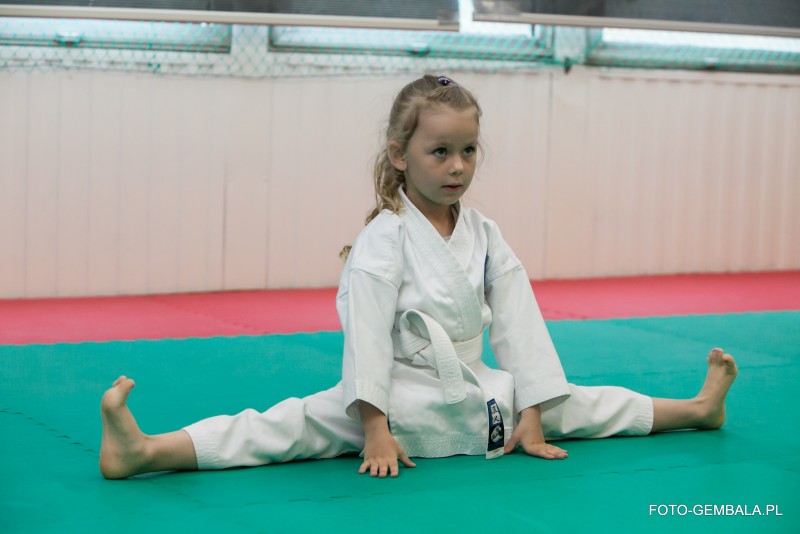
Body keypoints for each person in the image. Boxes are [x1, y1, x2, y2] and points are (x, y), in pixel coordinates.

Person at [99, 75, 738, 480]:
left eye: (468, 151)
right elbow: (367, 339)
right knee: (288, 425)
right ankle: (146, 450)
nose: (457, 166)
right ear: (400, 157)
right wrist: (374, 428)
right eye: (440, 152)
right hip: (396, 397)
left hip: (480, 391)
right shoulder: (384, 239)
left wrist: (534, 409)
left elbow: (520, 322)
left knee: (577, 402)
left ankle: (697, 409)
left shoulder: (483, 232)